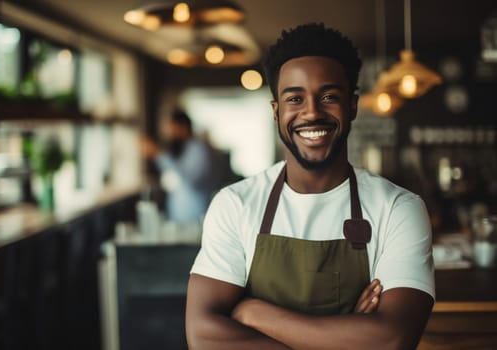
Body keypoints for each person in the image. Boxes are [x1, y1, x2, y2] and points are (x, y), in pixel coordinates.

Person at [186, 23, 434, 349]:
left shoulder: (398, 209)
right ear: (276, 112)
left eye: (329, 96)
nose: (312, 112)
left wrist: (255, 313)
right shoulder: (235, 204)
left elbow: (391, 339)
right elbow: (203, 337)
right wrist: (347, 339)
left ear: (353, 106)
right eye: (295, 98)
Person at [141, 109, 214, 223]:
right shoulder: (183, 150)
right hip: (180, 219)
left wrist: (158, 154)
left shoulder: (199, 150)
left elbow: (190, 180)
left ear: (183, 127)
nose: (169, 134)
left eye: (172, 129)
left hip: (194, 219)